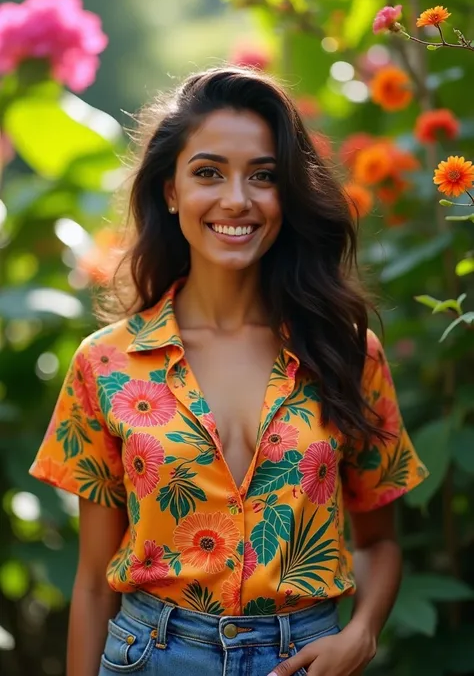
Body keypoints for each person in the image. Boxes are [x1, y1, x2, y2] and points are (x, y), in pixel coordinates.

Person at [30, 66, 428, 676]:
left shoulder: (349, 353)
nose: (237, 199)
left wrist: (362, 633)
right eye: (208, 172)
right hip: (151, 656)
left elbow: (379, 541)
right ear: (171, 190)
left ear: (286, 194)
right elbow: (91, 584)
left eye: (263, 176)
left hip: (308, 658)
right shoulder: (104, 364)